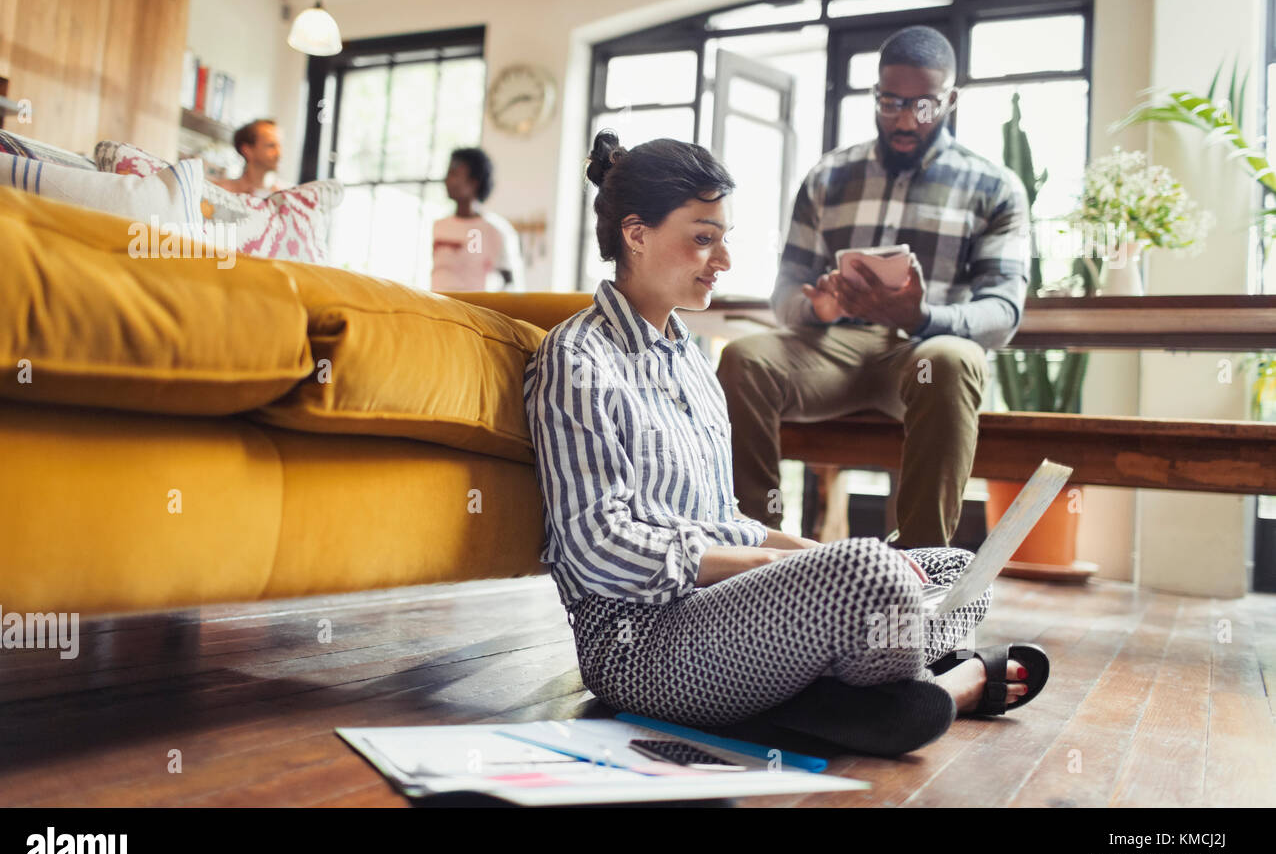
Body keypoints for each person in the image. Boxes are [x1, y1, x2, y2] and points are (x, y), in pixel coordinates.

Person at [522, 127, 1039, 754]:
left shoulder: (690, 359)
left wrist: (803, 552)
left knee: (958, 569)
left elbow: (724, 520)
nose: (724, 260)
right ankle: (928, 684)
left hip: (730, 615)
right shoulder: (576, 360)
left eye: (725, 240)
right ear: (636, 234)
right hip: (641, 645)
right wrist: (780, 565)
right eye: (704, 239)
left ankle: (858, 695)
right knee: (870, 575)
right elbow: (596, 546)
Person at [715, 25, 1031, 549]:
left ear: (950, 100)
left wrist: (922, 316)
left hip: (926, 351)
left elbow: (1002, 310)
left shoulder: (995, 187)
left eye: (924, 105)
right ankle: (755, 554)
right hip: (834, 350)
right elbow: (785, 290)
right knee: (745, 358)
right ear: (876, 96)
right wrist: (817, 307)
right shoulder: (828, 177)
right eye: (890, 102)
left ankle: (922, 567)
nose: (906, 119)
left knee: (951, 361)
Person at [431, 148, 522, 292]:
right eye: (448, 174)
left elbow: (511, 283)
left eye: (454, 174)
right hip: (437, 308)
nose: (447, 180)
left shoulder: (495, 230)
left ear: (474, 183)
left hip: (472, 310)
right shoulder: (438, 226)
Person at [214, 119, 283, 197]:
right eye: (271, 146)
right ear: (247, 150)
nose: (279, 154)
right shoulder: (218, 192)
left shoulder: (279, 200)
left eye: (279, 146)